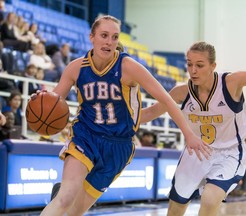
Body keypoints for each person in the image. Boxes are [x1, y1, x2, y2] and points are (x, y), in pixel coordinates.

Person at [38, 15, 210, 216]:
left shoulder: (128, 67)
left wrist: (188, 134)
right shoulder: (76, 68)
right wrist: (42, 99)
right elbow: (54, 101)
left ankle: (61, 196)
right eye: (104, 35)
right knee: (65, 199)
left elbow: (165, 100)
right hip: (85, 136)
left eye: (114, 37)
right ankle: (61, 194)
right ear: (92, 37)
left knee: (74, 212)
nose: (109, 42)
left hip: (118, 146)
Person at [140, 41, 246, 216]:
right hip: (195, 152)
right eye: (189, 64)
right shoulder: (181, 92)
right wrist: (110, 121)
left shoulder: (231, 83)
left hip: (229, 153)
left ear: (213, 66)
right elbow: (151, 112)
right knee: (175, 209)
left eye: (199, 65)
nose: (193, 70)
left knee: (210, 200)